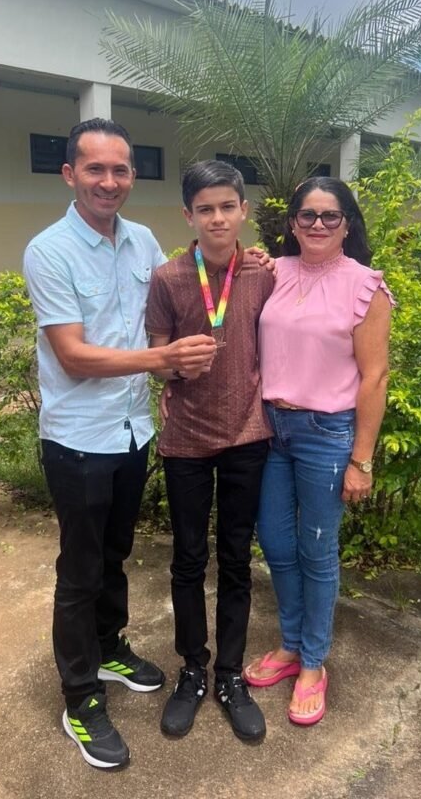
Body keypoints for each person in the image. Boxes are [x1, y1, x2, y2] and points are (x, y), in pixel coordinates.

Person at [23, 118, 217, 771]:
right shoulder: (49, 251)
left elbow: (188, 282)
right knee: (79, 571)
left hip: (132, 431)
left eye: (121, 169)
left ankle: (108, 647)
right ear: (69, 174)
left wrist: (254, 260)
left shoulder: (143, 242)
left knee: (115, 554)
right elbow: (74, 356)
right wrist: (162, 360)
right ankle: (80, 698)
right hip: (78, 439)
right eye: (95, 169)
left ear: (132, 176)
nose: (109, 181)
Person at [244, 177, 393, 727]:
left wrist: (362, 460)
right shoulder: (272, 272)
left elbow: (375, 378)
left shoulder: (366, 287)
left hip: (326, 434)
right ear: (292, 223)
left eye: (331, 216)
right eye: (307, 215)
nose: (318, 225)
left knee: (316, 549)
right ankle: (289, 644)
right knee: (275, 541)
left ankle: (312, 662)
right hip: (270, 428)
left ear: (347, 224)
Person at [145, 160, 274, 743]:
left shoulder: (263, 273)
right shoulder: (169, 278)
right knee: (188, 559)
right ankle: (193, 669)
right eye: (205, 209)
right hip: (187, 439)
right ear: (188, 215)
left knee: (237, 559)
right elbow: (157, 356)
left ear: (243, 210)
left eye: (227, 207)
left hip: (247, 434)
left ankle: (230, 676)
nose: (217, 218)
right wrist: (174, 366)